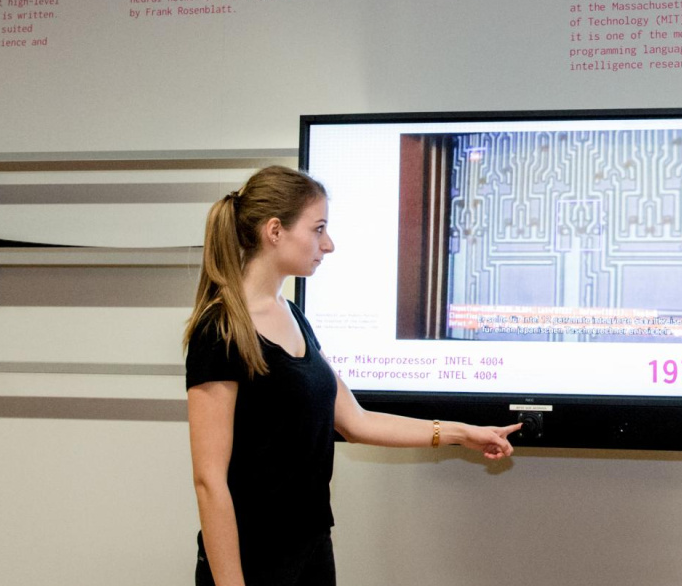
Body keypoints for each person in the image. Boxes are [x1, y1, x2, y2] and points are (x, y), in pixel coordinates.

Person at [184, 165, 519, 586]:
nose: (329, 244)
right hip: (251, 560)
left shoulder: (294, 317)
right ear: (275, 231)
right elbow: (209, 482)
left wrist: (460, 433)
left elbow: (355, 420)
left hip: (311, 547)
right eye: (318, 228)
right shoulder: (220, 330)